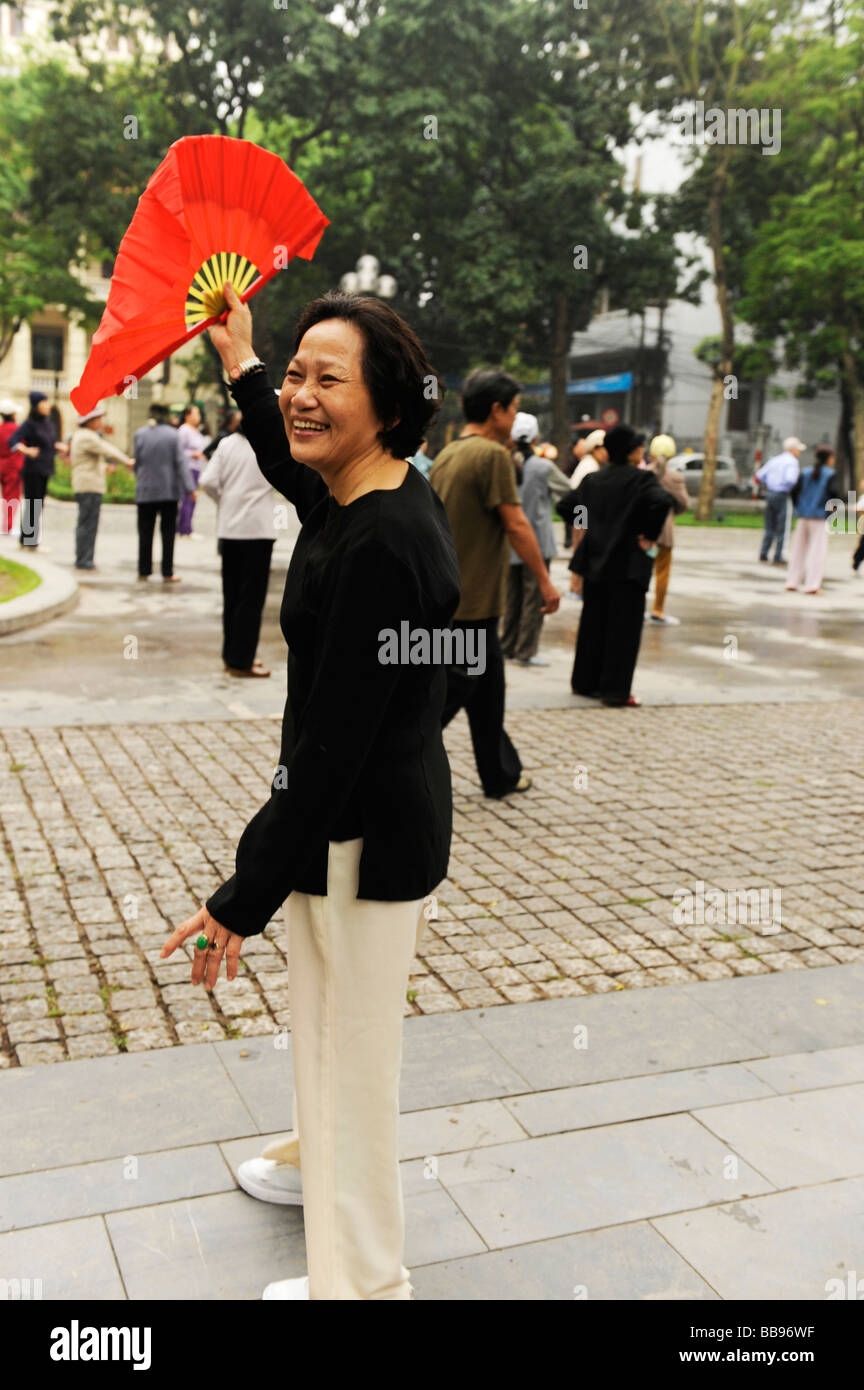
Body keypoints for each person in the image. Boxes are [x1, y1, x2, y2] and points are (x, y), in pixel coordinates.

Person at [161, 282, 461, 1302]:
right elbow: (292, 462)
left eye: (328, 380)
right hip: (362, 824)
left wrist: (236, 898)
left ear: (387, 404)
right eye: (296, 374)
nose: (300, 396)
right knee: (332, 1041)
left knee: (351, 1064)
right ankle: (309, 1173)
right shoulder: (363, 495)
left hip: (362, 839)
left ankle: (366, 1287)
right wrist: (242, 357)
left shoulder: (383, 542)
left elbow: (328, 757)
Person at [429, 369, 560, 797]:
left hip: (457, 599)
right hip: (471, 604)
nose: (516, 416)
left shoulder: (450, 453)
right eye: (515, 408)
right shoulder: (492, 456)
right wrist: (545, 582)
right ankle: (389, 761)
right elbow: (517, 523)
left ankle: (500, 774)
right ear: (497, 410)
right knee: (443, 702)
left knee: (488, 696)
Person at [561, 423, 671, 707]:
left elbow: (565, 505)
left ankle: (585, 683)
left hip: (596, 559)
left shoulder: (594, 481)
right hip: (627, 564)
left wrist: (588, 522)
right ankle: (615, 690)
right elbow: (661, 502)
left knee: (593, 624)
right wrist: (647, 533)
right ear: (634, 451)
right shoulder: (642, 481)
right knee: (623, 629)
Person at [199, 412, 275, 676]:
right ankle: (243, 660)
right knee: (251, 599)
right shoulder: (269, 444)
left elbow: (207, 481)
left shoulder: (227, 443)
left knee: (231, 595)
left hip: (229, 529)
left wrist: (225, 500)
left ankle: (230, 655)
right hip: (258, 530)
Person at [500, 411, 571, 666]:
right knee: (534, 598)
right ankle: (526, 650)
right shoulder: (543, 467)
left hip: (509, 540)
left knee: (511, 596)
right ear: (536, 437)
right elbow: (569, 491)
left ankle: (506, 644)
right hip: (537, 541)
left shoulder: (504, 463)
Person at [133, 404, 196, 582]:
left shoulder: (140, 434)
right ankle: (167, 572)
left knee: (145, 532)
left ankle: (143, 570)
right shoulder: (172, 435)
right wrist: (190, 488)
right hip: (168, 491)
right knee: (168, 534)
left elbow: (137, 462)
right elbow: (181, 462)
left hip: (145, 491)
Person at [69, 405, 135, 571]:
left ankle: (84, 558)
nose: (100, 421)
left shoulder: (84, 435)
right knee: (88, 524)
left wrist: (103, 467)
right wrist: (127, 460)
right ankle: (84, 560)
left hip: (86, 483)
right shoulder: (88, 436)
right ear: (89, 421)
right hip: (88, 485)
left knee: (86, 523)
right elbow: (108, 450)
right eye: (97, 418)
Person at [8, 391, 69, 550]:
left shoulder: (47, 423)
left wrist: (58, 446)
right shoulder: (29, 423)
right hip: (33, 469)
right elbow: (12, 441)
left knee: (38, 504)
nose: (47, 406)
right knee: (33, 504)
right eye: (44, 403)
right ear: (36, 406)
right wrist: (26, 450)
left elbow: (49, 442)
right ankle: (30, 542)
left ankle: (25, 539)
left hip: (45, 468)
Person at [646, 433, 689, 625]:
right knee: (662, 572)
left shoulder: (644, 474)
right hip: (665, 533)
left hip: (643, 532)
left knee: (642, 570)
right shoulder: (675, 478)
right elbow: (684, 504)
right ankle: (658, 610)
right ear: (671, 455)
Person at [785, 446, 836, 595]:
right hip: (819, 517)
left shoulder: (806, 472)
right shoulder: (830, 474)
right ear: (829, 459)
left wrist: (798, 507)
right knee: (817, 552)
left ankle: (792, 581)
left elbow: (794, 492)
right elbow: (834, 494)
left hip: (803, 515)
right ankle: (812, 585)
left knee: (797, 550)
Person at [756, 436, 805, 564]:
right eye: (798, 450)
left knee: (769, 525)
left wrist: (770, 484)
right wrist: (789, 488)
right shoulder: (792, 462)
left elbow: (760, 475)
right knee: (783, 526)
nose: (799, 452)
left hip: (770, 494)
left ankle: (763, 553)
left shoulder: (775, 460)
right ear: (793, 450)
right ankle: (779, 555)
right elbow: (790, 480)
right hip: (783, 495)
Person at [176, 403, 209, 538]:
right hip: (187, 468)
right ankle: (184, 529)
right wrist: (192, 454)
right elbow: (178, 450)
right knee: (187, 498)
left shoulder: (196, 431)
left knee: (193, 498)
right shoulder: (184, 430)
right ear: (187, 415)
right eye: (195, 413)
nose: (198, 416)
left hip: (196, 468)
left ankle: (187, 526)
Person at [0, 399, 22, 536]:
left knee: (4, 496)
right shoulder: (16, 430)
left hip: (1, 464)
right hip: (13, 465)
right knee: (12, 496)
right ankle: (7, 526)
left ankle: (6, 526)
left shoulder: (0, 429)